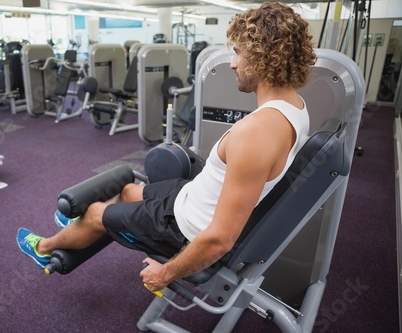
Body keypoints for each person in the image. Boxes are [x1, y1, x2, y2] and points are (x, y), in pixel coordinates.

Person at [17, 1, 317, 293]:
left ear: (264, 56)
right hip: (192, 198)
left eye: (238, 53)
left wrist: (165, 273)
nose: (232, 63)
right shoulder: (296, 107)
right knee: (127, 191)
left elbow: (220, 240)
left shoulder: (257, 133)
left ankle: (44, 247)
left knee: (96, 211)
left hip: (185, 228)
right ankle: (79, 227)